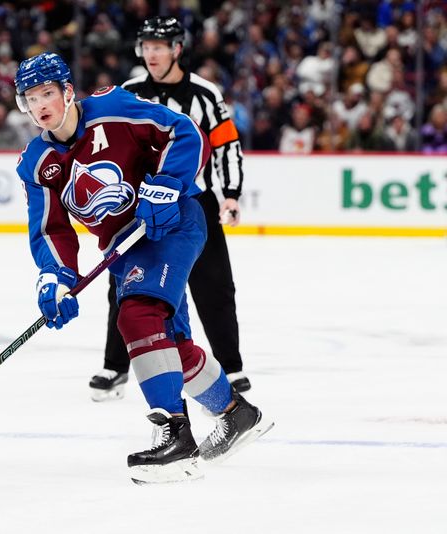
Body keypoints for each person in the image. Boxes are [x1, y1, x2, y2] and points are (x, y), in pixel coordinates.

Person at [14, 52, 272, 483]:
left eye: (47, 93)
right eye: (30, 97)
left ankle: (175, 436)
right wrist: (55, 278)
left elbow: (183, 131)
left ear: (67, 92)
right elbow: (51, 229)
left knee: (136, 316)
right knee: (170, 343)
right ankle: (236, 413)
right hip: (127, 248)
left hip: (172, 223)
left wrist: (166, 184)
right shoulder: (36, 164)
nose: (40, 104)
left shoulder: (112, 108)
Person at [89, 16, 252, 403]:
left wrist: (230, 194)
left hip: (194, 200)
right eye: (145, 47)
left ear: (177, 49)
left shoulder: (204, 93)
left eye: (158, 47)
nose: (151, 54)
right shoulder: (128, 91)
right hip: (140, 204)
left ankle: (230, 366)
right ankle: (116, 366)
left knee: (214, 284)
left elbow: (226, 144)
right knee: (126, 283)